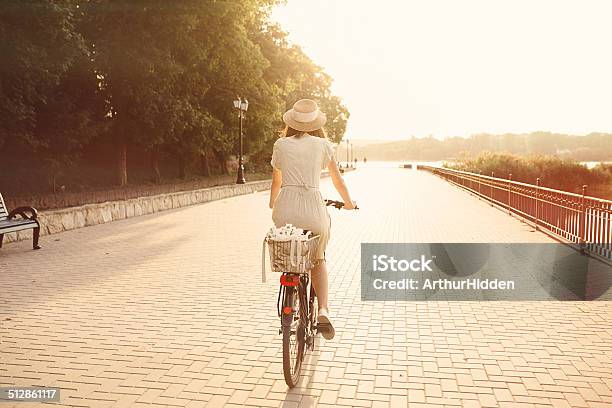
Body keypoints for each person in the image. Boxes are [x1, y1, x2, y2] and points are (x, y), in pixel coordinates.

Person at [269, 99, 357, 340]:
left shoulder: (281, 144)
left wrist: (272, 202)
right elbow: (338, 180)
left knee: (290, 255)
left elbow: (276, 181)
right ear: (316, 123)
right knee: (317, 259)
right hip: (313, 208)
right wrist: (349, 203)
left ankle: (290, 295)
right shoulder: (322, 145)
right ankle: (323, 311)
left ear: (292, 123)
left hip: (285, 209)